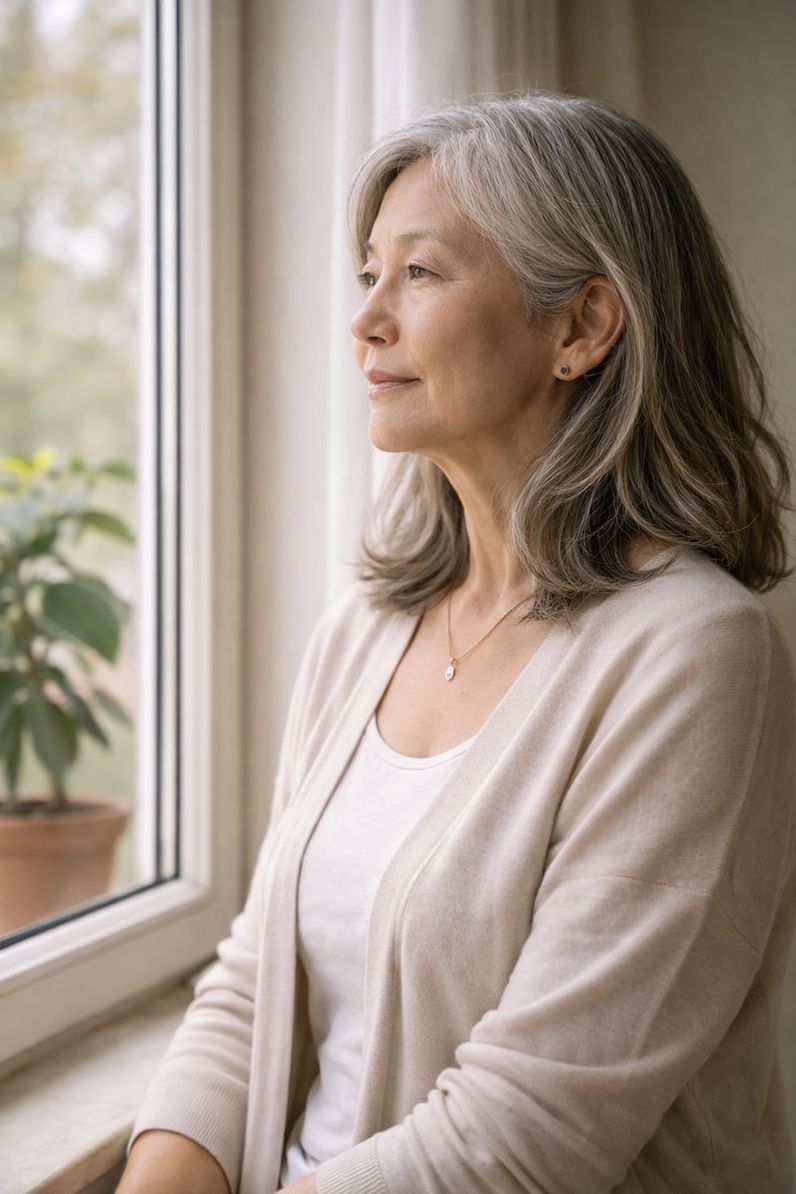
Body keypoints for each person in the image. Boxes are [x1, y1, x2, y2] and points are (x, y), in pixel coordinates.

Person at [117, 92, 796, 1194]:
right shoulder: (365, 628)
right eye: (368, 273)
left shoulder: (696, 657)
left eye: (420, 272)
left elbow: (527, 1137)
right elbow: (252, 986)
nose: (365, 319)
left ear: (580, 327)